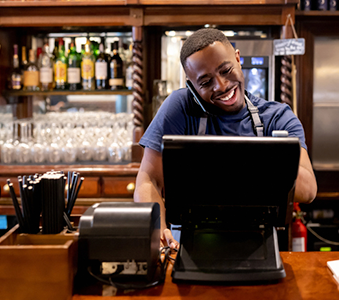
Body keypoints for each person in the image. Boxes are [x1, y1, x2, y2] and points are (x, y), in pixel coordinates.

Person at [133, 28, 317, 250]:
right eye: (205, 81)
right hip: (189, 245)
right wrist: (158, 233)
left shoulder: (277, 117)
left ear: (238, 59)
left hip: (259, 245)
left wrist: (223, 166)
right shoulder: (180, 108)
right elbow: (148, 179)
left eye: (226, 70)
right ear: (191, 86)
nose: (221, 86)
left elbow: (307, 190)